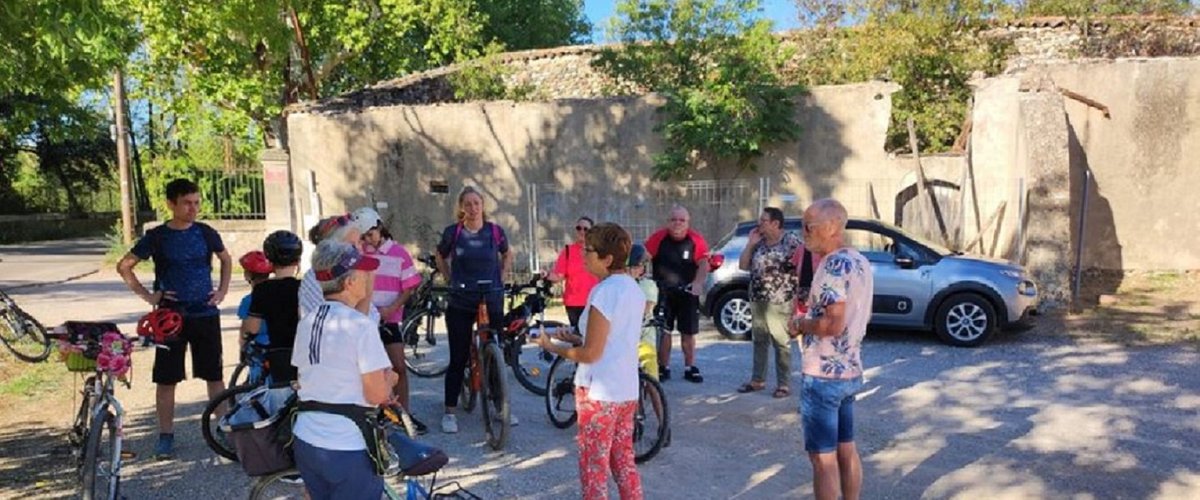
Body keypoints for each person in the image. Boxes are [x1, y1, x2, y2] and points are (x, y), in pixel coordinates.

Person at [116, 178, 232, 459]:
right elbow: (125, 265)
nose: (193, 208)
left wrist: (222, 291)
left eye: (196, 202)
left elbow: (226, 259)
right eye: (187, 203)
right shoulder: (157, 236)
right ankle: (165, 436)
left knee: (215, 377)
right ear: (171, 204)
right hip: (170, 318)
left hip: (205, 314)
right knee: (167, 379)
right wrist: (149, 296)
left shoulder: (206, 232)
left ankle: (225, 431)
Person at [535, 223, 644, 500]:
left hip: (599, 393)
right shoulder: (632, 288)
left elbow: (591, 354)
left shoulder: (604, 292)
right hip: (626, 389)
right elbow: (614, 339)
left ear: (607, 259)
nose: (583, 255)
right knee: (623, 462)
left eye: (589, 250)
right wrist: (574, 338)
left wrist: (552, 346)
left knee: (593, 468)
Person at [291, 240, 396, 500]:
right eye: (363, 273)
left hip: (307, 439)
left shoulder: (308, 322)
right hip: (347, 444)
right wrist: (390, 379)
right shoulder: (361, 327)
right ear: (349, 282)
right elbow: (377, 395)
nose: (368, 277)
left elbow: (304, 378)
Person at [788, 199, 873, 500]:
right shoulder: (859, 260)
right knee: (845, 448)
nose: (804, 233)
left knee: (822, 459)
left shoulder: (833, 265)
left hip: (823, 375)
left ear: (832, 226)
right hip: (849, 370)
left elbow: (832, 324)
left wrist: (800, 324)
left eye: (808, 226)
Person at [434, 186, 514, 434]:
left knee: (495, 352)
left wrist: (502, 276)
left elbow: (507, 254)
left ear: (482, 205)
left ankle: (500, 407)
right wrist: (449, 278)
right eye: (467, 204)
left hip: (491, 297)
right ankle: (449, 411)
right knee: (458, 356)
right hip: (461, 298)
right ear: (461, 207)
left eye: (476, 203)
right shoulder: (453, 232)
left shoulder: (495, 231)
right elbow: (440, 255)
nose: (473, 208)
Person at [354, 206, 427, 434]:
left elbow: (409, 287)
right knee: (367, 369)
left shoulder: (399, 253)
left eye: (370, 234)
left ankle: (404, 414)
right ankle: (373, 414)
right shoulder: (360, 253)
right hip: (365, 319)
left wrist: (392, 309)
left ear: (380, 228)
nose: (368, 240)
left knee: (398, 366)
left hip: (389, 319)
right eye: (364, 236)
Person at [736, 207, 802, 398]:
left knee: (781, 343)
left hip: (780, 300)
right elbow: (743, 265)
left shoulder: (790, 241)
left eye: (763, 221)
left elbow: (802, 267)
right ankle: (757, 380)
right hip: (758, 299)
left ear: (776, 223)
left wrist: (799, 299)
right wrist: (750, 244)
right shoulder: (759, 242)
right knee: (759, 340)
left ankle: (783, 384)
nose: (759, 224)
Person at [644, 205, 710, 383]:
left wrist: (698, 283)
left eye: (682, 220)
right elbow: (644, 257)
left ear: (688, 222)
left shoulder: (695, 239)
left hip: (687, 292)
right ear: (668, 222)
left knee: (688, 332)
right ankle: (663, 367)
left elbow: (704, 263)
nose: (677, 223)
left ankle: (690, 367)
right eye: (674, 220)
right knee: (664, 331)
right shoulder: (658, 238)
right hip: (663, 292)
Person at [240, 230, 303, 383]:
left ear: (269, 260)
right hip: (303, 351)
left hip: (277, 352)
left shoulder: (262, 289)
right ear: (297, 260)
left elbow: (252, 328)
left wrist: (244, 339)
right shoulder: (304, 287)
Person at [544, 216, 600, 329]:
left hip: (594, 301)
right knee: (577, 334)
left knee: (593, 334)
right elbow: (559, 276)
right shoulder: (568, 251)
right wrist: (546, 275)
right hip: (574, 303)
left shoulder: (598, 251)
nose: (582, 231)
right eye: (579, 228)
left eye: (586, 229)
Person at [628, 244, 659, 380]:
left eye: (638, 266)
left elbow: (646, 308)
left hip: (643, 337)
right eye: (632, 267)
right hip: (624, 339)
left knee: (650, 370)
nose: (636, 270)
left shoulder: (647, 285)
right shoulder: (620, 284)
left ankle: (654, 392)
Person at [236, 251, 273, 348]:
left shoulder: (248, 300)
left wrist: (243, 347)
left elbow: (245, 330)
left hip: (258, 348)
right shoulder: (277, 295)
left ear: (247, 275)